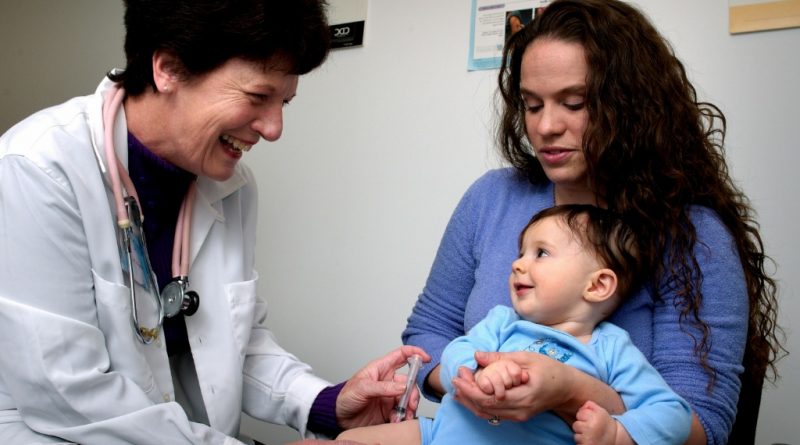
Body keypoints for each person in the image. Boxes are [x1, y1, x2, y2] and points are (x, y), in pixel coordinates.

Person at [0, 1, 429, 444]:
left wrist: (324, 403)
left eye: (284, 102)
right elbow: (68, 392)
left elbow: (236, 341)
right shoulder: (39, 169)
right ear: (168, 69)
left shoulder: (231, 186)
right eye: (258, 97)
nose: (274, 128)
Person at [401, 1, 784, 445]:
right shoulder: (491, 198)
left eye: (575, 103)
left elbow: (702, 425)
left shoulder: (693, 238)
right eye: (531, 105)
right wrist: (478, 385)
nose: (545, 126)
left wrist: (567, 393)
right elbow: (428, 332)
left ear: (632, 106)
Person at [339, 205, 692, 445]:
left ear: (597, 285)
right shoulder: (503, 322)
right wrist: (476, 372)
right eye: (521, 252)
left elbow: (674, 415)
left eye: (541, 253)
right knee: (346, 439)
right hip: (439, 436)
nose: (517, 265)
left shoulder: (611, 348)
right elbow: (456, 352)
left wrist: (617, 434)